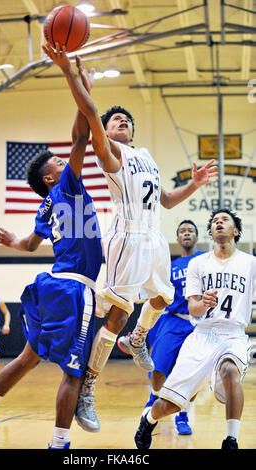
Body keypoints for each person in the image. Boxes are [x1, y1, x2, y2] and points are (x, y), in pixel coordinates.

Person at [41, 42, 218, 433]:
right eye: (114, 120)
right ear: (106, 133)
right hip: (127, 237)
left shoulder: (148, 157)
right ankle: (88, 385)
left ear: (133, 129)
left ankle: (137, 339)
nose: (120, 121)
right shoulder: (112, 155)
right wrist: (72, 75)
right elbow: (89, 113)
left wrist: (194, 184)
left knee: (161, 299)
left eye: (125, 119)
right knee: (118, 313)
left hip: (154, 238)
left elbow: (167, 202)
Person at [0, 64, 102, 449]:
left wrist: (12, 243)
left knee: (27, 359)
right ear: (51, 178)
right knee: (73, 373)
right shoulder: (68, 186)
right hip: (73, 287)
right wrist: (80, 86)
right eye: (58, 163)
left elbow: (30, 245)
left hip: (52, 285)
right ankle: (59, 445)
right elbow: (81, 136)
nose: (66, 161)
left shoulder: (45, 207)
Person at [134, 208, 256, 450]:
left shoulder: (250, 263)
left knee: (231, 372)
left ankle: (231, 439)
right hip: (201, 335)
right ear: (211, 232)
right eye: (215, 221)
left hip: (233, 335)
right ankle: (148, 418)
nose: (219, 223)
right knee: (170, 405)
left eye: (225, 220)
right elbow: (193, 307)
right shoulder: (198, 264)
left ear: (236, 230)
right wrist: (204, 303)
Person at [141, 219, 204, 435]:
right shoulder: (171, 265)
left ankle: (182, 415)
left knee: (192, 375)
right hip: (174, 319)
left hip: (198, 323)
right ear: (177, 238)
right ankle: (154, 398)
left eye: (191, 230)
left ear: (197, 236)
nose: (186, 233)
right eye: (182, 231)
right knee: (157, 368)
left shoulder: (205, 261)